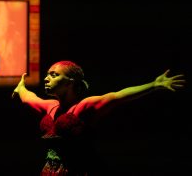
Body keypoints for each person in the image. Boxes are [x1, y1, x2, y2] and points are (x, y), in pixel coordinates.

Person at [11, 60, 185, 175]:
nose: (47, 79)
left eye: (54, 75)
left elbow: (117, 96)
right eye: (47, 74)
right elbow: (29, 98)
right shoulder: (50, 107)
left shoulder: (84, 106)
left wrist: (154, 85)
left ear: (71, 82)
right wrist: (21, 88)